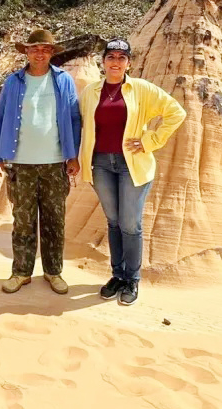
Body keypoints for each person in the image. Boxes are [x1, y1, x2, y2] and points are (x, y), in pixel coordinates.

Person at [78, 38, 186, 306]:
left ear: (129, 63)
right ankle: (117, 275)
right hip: (101, 164)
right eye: (111, 57)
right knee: (113, 221)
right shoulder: (91, 92)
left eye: (121, 57)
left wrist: (150, 141)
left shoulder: (141, 89)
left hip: (132, 165)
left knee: (130, 224)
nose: (115, 62)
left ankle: (132, 279)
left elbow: (176, 112)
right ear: (103, 61)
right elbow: (80, 124)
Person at [0, 28, 81, 295]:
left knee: (54, 221)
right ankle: (21, 272)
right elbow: (0, 117)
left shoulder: (63, 80)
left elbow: (74, 119)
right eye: (34, 49)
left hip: (55, 163)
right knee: (23, 221)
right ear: (26, 52)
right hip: (20, 162)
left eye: (45, 49)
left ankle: (53, 272)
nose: (40, 54)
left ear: (51, 53)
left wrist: (73, 155)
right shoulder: (13, 82)